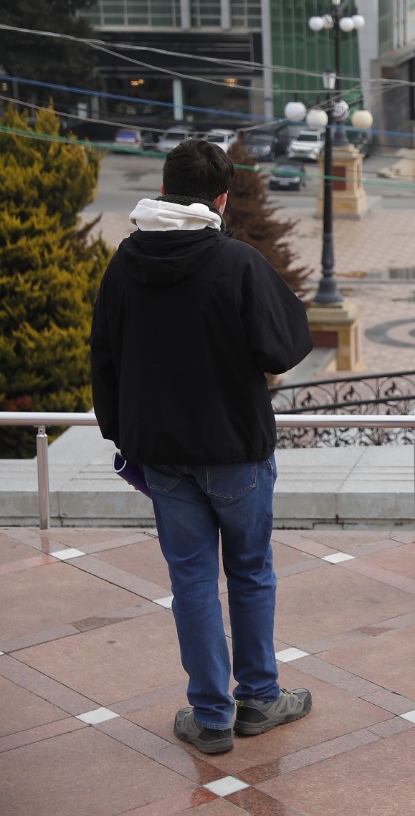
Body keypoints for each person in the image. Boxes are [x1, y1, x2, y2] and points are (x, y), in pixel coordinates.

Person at [90, 139, 314, 755]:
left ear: (162, 190)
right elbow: (284, 347)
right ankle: (260, 699)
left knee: (191, 580)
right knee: (249, 572)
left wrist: (122, 435)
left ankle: (211, 716)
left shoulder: (123, 265)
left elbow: (103, 358)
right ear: (221, 198)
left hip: (162, 456)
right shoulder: (236, 262)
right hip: (236, 451)